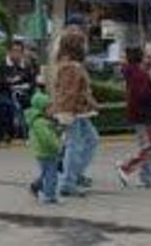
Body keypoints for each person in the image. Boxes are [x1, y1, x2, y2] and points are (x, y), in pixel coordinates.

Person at [52, 27, 99, 197]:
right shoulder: (71, 67)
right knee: (76, 145)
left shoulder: (71, 65)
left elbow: (79, 91)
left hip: (78, 110)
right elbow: (68, 92)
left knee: (90, 140)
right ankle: (68, 180)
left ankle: (72, 176)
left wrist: (91, 102)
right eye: (82, 43)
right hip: (73, 111)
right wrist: (65, 114)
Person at [116, 46, 151, 189]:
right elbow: (142, 95)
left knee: (148, 145)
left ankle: (147, 178)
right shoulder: (139, 75)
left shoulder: (133, 71)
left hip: (139, 113)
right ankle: (127, 167)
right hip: (146, 114)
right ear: (140, 58)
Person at [0, 40, 36, 139]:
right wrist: (10, 83)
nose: (16, 54)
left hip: (22, 93)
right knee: (3, 104)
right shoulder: (1, 65)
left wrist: (24, 86)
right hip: (4, 93)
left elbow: (31, 81)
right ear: (9, 52)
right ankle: (4, 132)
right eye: (14, 51)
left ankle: (25, 131)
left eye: (19, 51)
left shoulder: (27, 66)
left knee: (30, 102)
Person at [26, 91, 61, 205]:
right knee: (51, 174)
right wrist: (57, 146)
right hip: (46, 152)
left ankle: (36, 186)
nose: (53, 110)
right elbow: (47, 139)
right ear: (43, 109)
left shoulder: (44, 121)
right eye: (50, 108)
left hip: (46, 152)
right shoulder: (40, 123)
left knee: (47, 172)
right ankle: (49, 195)